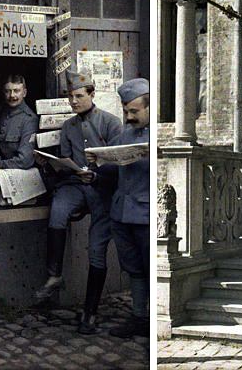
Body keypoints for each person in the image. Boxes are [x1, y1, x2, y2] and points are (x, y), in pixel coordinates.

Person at [34, 70, 123, 335]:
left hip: (103, 190)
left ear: (92, 95)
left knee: (96, 250)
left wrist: (96, 174)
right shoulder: (68, 127)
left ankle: (90, 313)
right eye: (70, 97)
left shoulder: (111, 123)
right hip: (75, 186)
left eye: (79, 96)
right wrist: (54, 165)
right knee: (57, 212)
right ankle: (55, 275)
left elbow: (118, 163)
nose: (73, 101)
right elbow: (66, 161)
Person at [90, 78, 150, 338]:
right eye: (126, 111)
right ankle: (138, 317)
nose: (128, 117)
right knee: (133, 268)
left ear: (149, 108)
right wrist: (97, 165)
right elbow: (115, 170)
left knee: (150, 268)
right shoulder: (124, 134)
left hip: (146, 215)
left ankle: (154, 317)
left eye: (134, 112)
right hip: (121, 213)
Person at [0, 75, 39, 170]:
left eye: (16, 91)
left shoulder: (29, 120)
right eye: (8, 91)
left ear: (24, 93)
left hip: (17, 172)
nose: (12, 95)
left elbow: (24, 161)